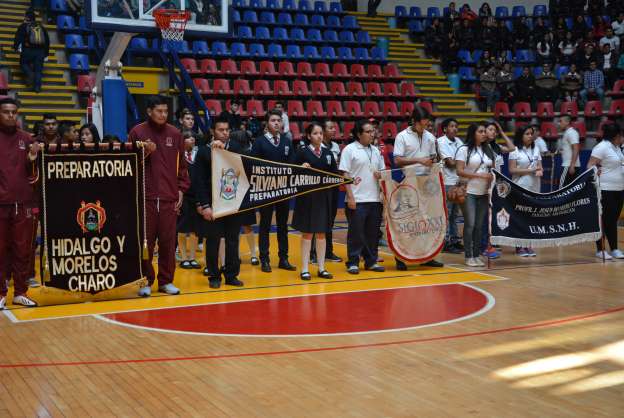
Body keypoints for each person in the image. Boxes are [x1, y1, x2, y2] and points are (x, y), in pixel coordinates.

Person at [128, 95, 190, 297]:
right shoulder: (137, 132)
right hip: (145, 198)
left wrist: (181, 189)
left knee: (168, 242)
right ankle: (145, 280)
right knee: (145, 242)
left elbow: (182, 168)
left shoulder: (175, 134)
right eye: (159, 111)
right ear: (149, 111)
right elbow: (128, 167)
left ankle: (166, 281)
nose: (163, 114)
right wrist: (144, 153)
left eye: (165, 111)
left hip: (168, 198)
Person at [193, 116, 245, 288]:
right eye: (221, 130)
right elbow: (198, 181)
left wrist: (225, 152)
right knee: (213, 240)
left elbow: (246, 171)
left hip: (232, 202)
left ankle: (231, 275)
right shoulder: (203, 151)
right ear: (212, 132)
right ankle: (214, 276)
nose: (224, 133)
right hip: (213, 204)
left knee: (232, 240)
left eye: (227, 130)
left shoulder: (236, 148)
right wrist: (204, 205)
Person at [0, 97, 41, 308]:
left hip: (23, 204)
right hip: (1, 205)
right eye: (6, 112)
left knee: (23, 250)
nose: (10, 116)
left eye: (14, 112)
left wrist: (33, 158)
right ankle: (0, 294)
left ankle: (20, 292)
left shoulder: (27, 139)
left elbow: (34, 177)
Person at [392, 107, 444, 269]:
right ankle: (400, 258)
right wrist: (419, 160)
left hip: (427, 183)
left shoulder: (430, 137)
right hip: (408, 182)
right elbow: (398, 161)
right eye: (422, 125)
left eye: (427, 125)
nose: (425, 128)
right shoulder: (402, 136)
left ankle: (427, 255)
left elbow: (432, 157)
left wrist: (433, 159)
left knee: (427, 220)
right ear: (414, 122)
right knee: (406, 221)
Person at [250, 109, 296, 273]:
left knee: (283, 225)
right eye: (273, 120)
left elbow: (292, 163)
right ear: (267, 123)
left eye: (279, 120)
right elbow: (253, 166)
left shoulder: (286, 141)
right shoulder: (259, 142)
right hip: (266, 190)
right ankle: (265, 259)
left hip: (283, 190)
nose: (276, 123)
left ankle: (283, 258)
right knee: (265, 225)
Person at [291, 122, 337, 280]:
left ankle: (322, 268)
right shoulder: (302, 153)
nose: (319, 136)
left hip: (324, 197)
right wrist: (300, 167)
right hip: (307, 198)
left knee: (322, 233)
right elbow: (292, 171)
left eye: (321, 133)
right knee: (308, 233)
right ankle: (304, 269)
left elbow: (334, 175)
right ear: (309, 136)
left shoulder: (329, 153)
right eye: (316, 133)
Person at [339, 120, 385, 274]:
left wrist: (381, 184)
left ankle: (371, 261)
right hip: (357, 199)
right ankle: (353, 262)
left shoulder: (376, 151)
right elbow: (345, 174)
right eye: (368, 131)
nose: (372, 134)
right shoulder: (349, 150)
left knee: (372, 234)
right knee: (356, 233)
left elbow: (382, 172)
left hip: (375, 199)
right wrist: (350, 197)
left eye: (373, 131)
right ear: (359, 134)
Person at [455, 123, 494, 267]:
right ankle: (468, 256)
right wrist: (480, 176)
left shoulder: (487, 149)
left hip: (483, 192)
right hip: (468, 191)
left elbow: (492, 167)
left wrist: (490, 177)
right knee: (470, 224)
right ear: (473, 133)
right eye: (481, 131)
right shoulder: (464, 149)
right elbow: (459, 171)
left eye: (485, 131)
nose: (484, 134)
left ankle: (477, 254)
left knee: (479, 225)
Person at [587, 123, 624, 260]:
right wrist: (597, 171)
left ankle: (614, 249)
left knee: (612, 220)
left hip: (619, 189)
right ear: (615, 136)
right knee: (604, 220)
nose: (622, 138)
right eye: (621, 135)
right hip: (605, 189)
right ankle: (600, 249)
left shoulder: (617, 147)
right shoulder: (601, 147)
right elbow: (589, 166)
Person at [508, 126, 543, 257]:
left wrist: (539, 170)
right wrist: (530, 171)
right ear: (520, 136)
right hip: (519, 186)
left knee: (531, 216)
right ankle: (519, 246)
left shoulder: (536, 149)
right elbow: (512, 170)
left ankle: (528, 245)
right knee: (520, 216)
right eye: (527, 134)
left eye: (531, 134)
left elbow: (539, 166)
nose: (530, 136)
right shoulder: (514, 150)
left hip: (534, 186)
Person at [229, 129, 259, 266]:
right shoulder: (232, 153)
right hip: (239, 192)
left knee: (239, 227)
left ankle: (242, 254)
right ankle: (252, 255)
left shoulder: (246, 154)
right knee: (245, 226)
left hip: (240, 192)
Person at [437, 118, 464, 254]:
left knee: (455, 214)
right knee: (446, 213)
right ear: (445, 129)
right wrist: (460, 162)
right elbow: (450, 163)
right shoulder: (441, 142)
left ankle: (454, 240)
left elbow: (462, 161)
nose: (455, 129)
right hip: (447, 181)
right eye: (452, 126)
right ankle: (445, 241)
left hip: (458, 181)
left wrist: (458, 162)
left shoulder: (459, 142)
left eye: (456, 126)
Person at [177, 131, 201, 270]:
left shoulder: (198, 156)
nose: (191, 140)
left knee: (194, 229)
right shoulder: (178, 156)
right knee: (181, 227)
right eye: (188, 138)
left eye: (193, 138)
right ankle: (184, 257)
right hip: (182, 195)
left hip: (196, 196)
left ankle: (192, 258)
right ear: (182, 141)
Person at [320, 119, 342, 262]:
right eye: (330, 128)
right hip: (321, 187)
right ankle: (314, 253)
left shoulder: (335, 146)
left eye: (334, 127)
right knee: (319, 220)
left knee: (330, 220)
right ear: (323, 131)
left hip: (334, 186)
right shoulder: (317, 146)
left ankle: (328, 251)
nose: (333, 130)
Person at [13, 10, 49, 93]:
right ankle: (37, 88)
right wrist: (46, 54)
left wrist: (16, 47)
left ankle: (30, 74)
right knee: (38, 70)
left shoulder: (24, 26)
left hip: (28, 50)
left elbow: (18, 37)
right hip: (40, 51)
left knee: (23, 63)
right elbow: (47, 40)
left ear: (27, 17)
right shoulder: (41, 27)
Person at [558, 115, 581, 187]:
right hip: (570, 165)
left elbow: (576, 148)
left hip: (568, 166)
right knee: (570, 191)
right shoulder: (568, 132)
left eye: (560, 121)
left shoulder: (571, 132)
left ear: (567, 122)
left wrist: (572, 165)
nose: (559, 123)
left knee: (562, 190)